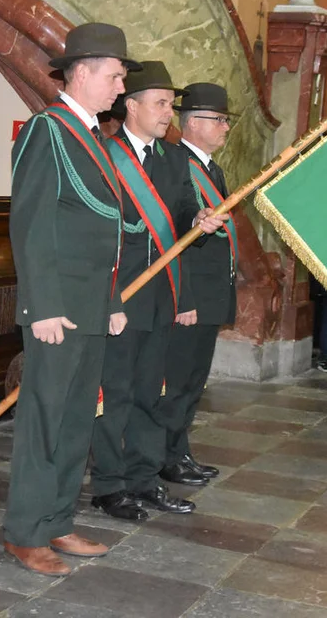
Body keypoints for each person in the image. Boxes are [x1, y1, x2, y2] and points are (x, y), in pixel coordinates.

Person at [4, 23, 135, 577]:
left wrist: (109, 302)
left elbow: (102, 231)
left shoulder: (92, 138)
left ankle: (58, 520)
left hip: (89, 305)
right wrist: (42, 306)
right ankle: (25, 531)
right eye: (114, 75)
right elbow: (32, 225)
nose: (120, 87)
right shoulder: (47, 131)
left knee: (78, 418)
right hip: (57, 308)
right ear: (81, 73)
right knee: (45, 420)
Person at [90, 62, 226, 522]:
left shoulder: (173, 161)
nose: (170, 113)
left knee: (153, 393)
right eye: (162, 104)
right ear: (132, 105)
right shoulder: (105, 155)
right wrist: (109, 299)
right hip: (122, 297)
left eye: (171, 105)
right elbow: (96, 234)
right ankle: (110, 486)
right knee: (116, 393)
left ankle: (144, 481)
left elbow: (185, 212)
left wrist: (199, 222)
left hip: (161, 296)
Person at [156, 83, 238, 488]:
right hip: (188, 296)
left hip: (209, 293)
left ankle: (179, 450)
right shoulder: (175, 163)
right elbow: (174, 235)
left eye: (225, 120)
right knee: (176, 380)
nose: (226, 127)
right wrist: (182, 298)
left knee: (192, 381)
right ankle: (166, 456)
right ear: (192, 123)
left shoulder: (210, 167)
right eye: (219, 119)